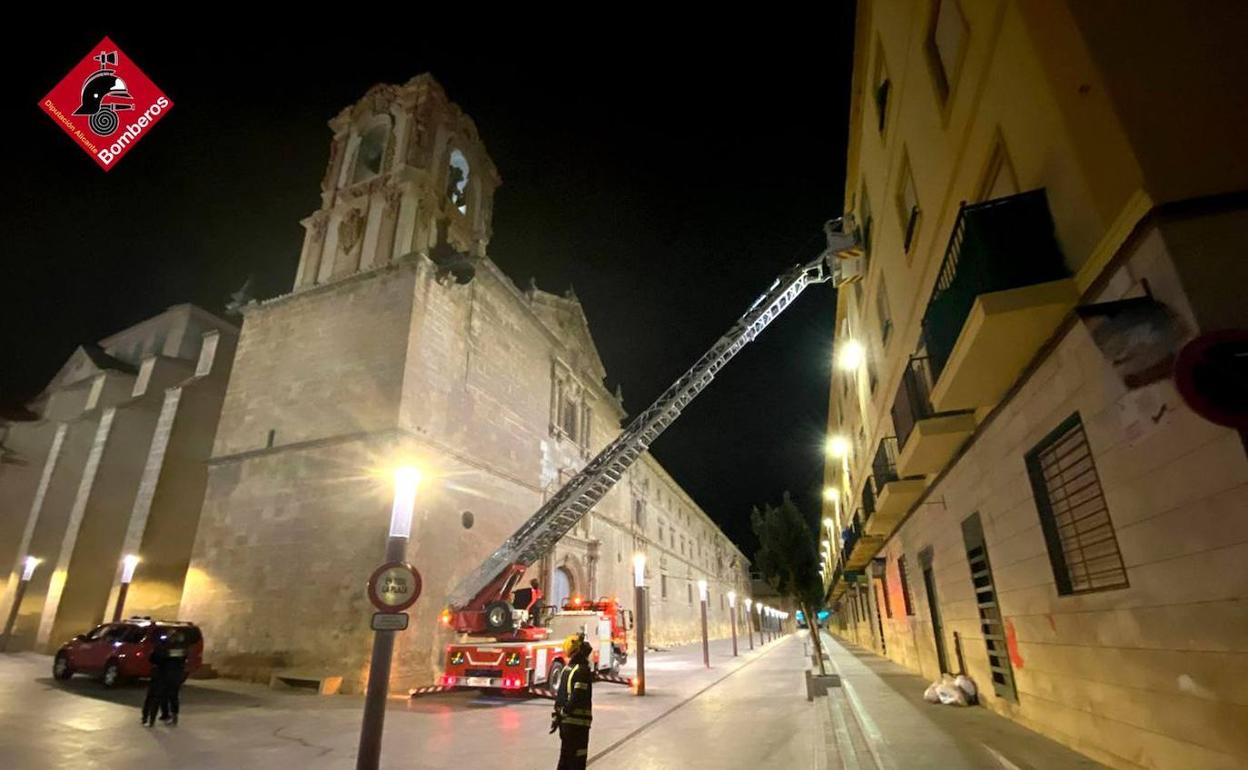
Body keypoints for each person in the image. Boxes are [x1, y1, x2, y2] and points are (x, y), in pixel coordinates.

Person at [550, 634, 593, 770]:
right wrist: (566, 711)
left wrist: (558, 717)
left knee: (565, 759)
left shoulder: (566, 670)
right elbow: (577, 696)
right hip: (578, 725)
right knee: (578, 760)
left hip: (566, 724)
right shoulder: (582, 671)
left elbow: (560, 698)